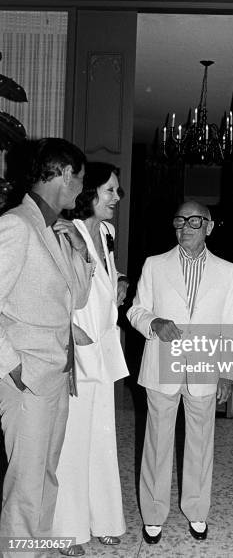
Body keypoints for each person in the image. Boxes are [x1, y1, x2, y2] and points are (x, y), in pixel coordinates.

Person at [0, 138, 94, 557]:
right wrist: (11, 366)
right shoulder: (16, 225)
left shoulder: (55, 228)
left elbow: (78, 300)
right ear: (63, 175)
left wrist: (79, 252)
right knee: (25, 482)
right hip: (26, 377)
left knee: (45, 474)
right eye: (80, 181)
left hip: (57, 373)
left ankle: (34, 549)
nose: (81, 191)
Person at [127, 200, 233, 545]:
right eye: (179, 221)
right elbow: (135, 310)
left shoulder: (228, 271)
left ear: (209, 226)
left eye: (193, 221)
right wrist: (154, 322)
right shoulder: (155, 265)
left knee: (201, 442)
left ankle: (197, 510)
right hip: (162, 363)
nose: (185, 228)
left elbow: (231, 325)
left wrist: (227, 372)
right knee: (157, 442)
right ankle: (154, 514)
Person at [52, 163, 129, 556]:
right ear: (90, 193)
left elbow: (102, 277)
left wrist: (119, 282)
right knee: (73, 440)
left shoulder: (107, 232)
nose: (117, 197)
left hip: (104, 344)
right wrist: (68, 327)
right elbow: (57, 287)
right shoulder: (70, 232)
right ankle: (67, 529)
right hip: (78, 345)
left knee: (102, 435)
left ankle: (105, 519)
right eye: (110, 190)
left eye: (117, 191)